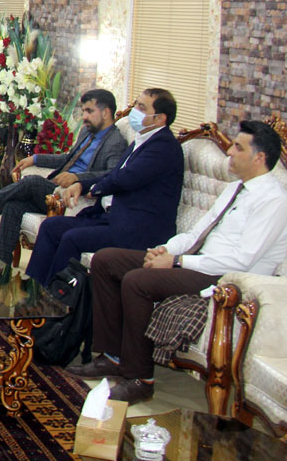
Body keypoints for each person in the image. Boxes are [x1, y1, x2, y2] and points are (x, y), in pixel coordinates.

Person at [67, 120, 287, 404]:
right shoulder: (236, 188)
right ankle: (112, 356)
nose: (229, 152)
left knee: (137, 281)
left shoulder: (274, 200)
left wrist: (178, 262)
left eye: (237, 147)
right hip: (198, 261)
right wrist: (163, 250)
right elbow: (198, 232)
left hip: (225, 278)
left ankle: (140, 379)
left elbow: (242, 260)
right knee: (107, 260)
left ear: (259, 158)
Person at [24, 88, 184, 287]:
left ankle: (58, 304)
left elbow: (125, 178)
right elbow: (114, 173)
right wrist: (80, 185)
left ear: (160, 119)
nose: (135, 110)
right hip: (112, 218)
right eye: (136, 104)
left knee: (72, 238)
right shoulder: (143, 140)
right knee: (50, 226)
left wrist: (94, 189)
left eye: (141, 107)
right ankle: (33, 293)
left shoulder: (163, 148)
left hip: (137, 230)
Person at [0, 89, 127, 261]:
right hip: (57, 187)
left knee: (31, 182)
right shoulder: (87, 133)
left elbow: (111, 175)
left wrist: (78, 178)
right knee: (13, 206)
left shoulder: (115, 142)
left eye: (89, 111)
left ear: (106, 113)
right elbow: (67, 158)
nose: (84, 117)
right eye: (83, 111)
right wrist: (35, 159)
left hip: (76, 195)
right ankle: (0, 266)